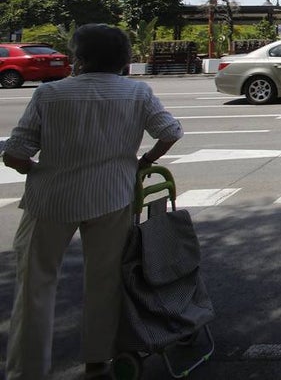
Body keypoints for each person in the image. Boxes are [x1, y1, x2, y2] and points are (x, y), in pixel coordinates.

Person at [1, 24, 183, 380]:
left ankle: (28, 370)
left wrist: (35, 168)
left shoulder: (50, 94)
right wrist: (143, 161)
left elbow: (17, 152)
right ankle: (98, 358)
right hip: (111, 197)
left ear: (78, 59)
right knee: (104, 280)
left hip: (49, 199)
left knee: (35, 285)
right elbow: (170, 132)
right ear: (124, 60)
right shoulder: (137, 93)